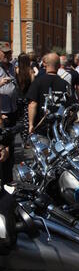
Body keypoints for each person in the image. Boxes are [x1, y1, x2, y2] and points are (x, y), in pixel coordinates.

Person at [26, 53, 71, 138]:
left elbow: (32, 104)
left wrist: (31, 124)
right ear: (59, 65)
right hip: (60, 127)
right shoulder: (65, 84)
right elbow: (71, 106)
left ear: (44, 64)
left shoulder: (37, 82)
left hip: (42, 126)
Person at [0, 42, 18, 183]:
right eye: (5, 53)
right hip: (1, 113)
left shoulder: (12, 67)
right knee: (2, 147)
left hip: (12, 110)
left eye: (9, 53)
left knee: (10, 146)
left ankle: (8, 179)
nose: (8, 55)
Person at [15, 53, 35, 145]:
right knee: (27, 119)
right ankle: (26, 138)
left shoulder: (16, 70)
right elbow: (33, 85)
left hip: (18, 98)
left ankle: (21, 137)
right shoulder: (30, 71)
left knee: (19, 119)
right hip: (27, 98)